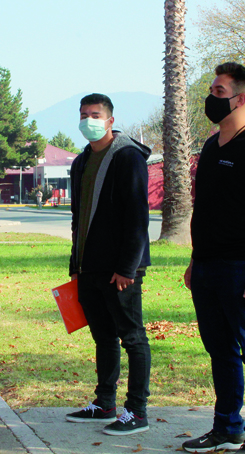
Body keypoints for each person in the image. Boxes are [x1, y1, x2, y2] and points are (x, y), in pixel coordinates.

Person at [181, 63, 245, 454]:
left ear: (241, 99)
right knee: (220, 349)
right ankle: (227, 426)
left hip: (244, 268)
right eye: (211, 90)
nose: (211, 98)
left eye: (219, 92)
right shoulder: (211, 147)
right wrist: (196, 261)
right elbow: (207, 210)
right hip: (207, 268)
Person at [65, 93, 152, 436]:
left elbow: (137, 217)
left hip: (121, 269)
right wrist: (75, 264)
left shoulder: (127, 157)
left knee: (132, 337)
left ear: (110, 120)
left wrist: (128, 267)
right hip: (89, 267)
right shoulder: (81, 161)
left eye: (95, 115)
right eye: (84, 115)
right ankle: (104, 404)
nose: (89, 120)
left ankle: (137, 411)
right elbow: (79, 218)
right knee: (103, 337)